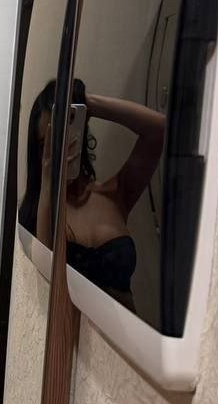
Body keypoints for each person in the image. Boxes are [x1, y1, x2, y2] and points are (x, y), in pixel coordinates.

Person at [19, 79, 165, 310]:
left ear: (78, 133)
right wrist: (48, 184)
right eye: (45, 144)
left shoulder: (113, 194)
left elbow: (159, 129)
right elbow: (46, 280)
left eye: (62, 139)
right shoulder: (36, 214)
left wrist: (86, 103)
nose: (56, 152)